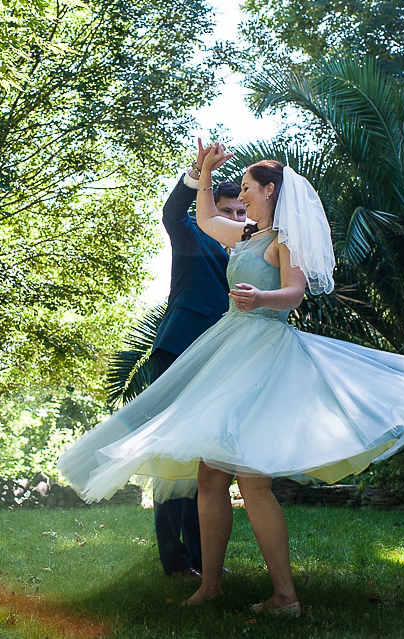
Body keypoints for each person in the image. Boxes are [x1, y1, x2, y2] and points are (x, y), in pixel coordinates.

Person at [58, 143, 404, 616]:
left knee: (252, 480)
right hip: (229, 351)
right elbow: (205, 219)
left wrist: (261, 298)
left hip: (263, 354)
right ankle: (210, 585)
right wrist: (205, 172)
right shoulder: (245, 236)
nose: (243, 195)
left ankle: (285, 596)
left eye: (248, 188)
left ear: (270, 190)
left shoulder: (281, 241)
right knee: (210, 477)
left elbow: (293, 292)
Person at [149, 140, 245, 581]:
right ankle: (175, 560)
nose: (236, 219)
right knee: (175, 454)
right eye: (228, 211)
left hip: (221, 360)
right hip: (178, 350)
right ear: (212, 209)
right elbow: (172, 213)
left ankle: (207, 561)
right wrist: (196, 174)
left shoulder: (247, 250)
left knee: (207, 459)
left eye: (241, 212)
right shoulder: (192, 234)